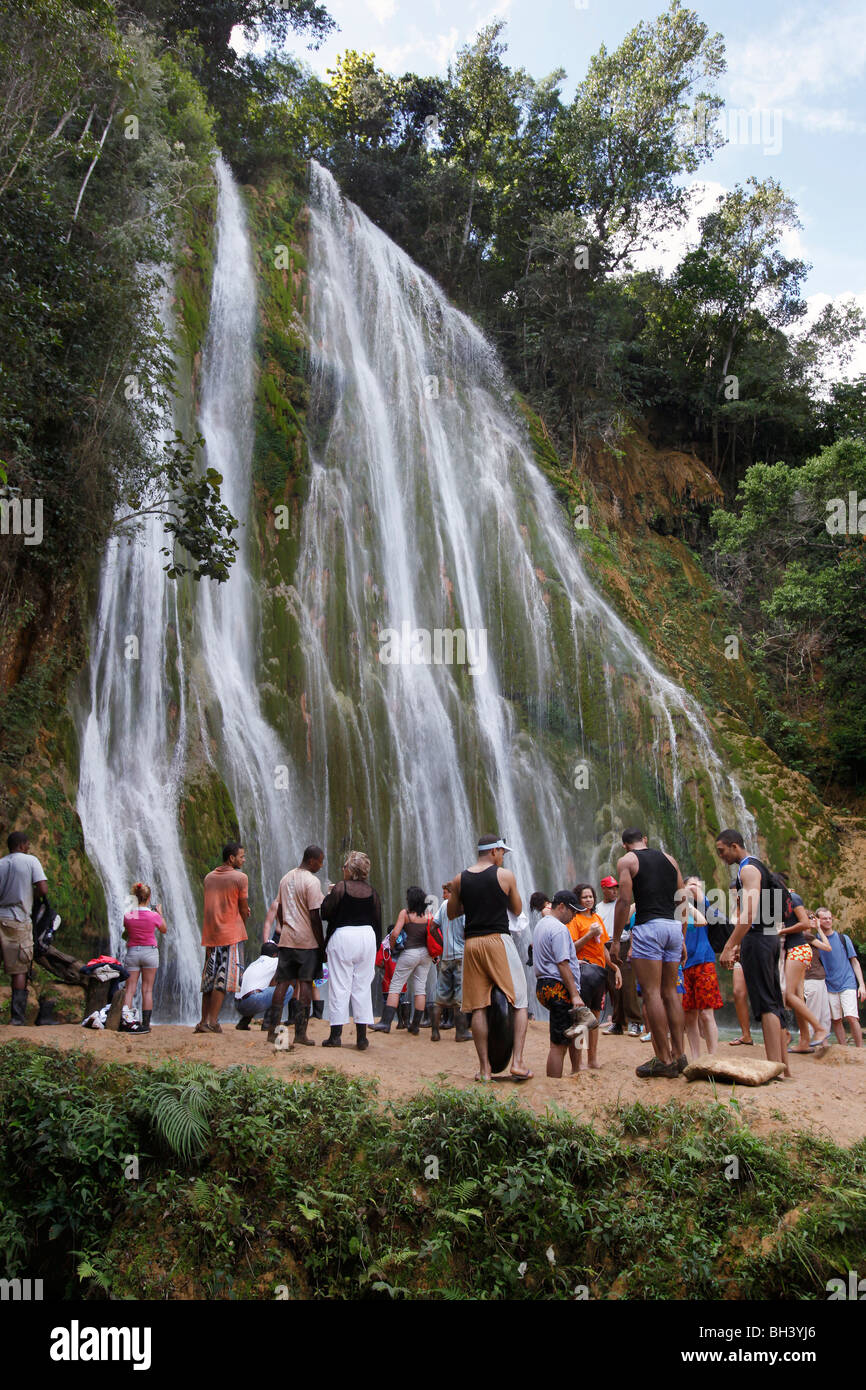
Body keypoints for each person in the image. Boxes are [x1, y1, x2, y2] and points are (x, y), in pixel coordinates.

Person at [444, 834, 532, 1083]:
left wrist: (472, 903)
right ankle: (517, 1063)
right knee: (520, 1000)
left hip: (471, 944)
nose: (503, 857)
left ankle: (484, 1070)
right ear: (494, 851)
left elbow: (452, 913)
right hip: (497, 940)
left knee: (478, 1006)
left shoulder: (460, 879)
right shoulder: (504, 876)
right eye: (502, 853)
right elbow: (516, 909)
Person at [611, 828, 686, 1079]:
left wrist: (614, 941)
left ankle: (663, 1060)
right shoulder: (670, 859)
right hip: (673, 928)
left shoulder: (627, 861)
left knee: (652, 994)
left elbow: (623, 901)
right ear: (645, 840)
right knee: (671, 992)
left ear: (625, 845)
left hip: (649, 928)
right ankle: (679, 1055)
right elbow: (682, 898)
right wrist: (682, 936)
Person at [715, 830, 788, 1077]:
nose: (721, 856)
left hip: (759, 938)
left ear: (735, 846)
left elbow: (748, 914)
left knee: (766, 1005)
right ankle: (782, 1067)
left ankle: (772, 1067)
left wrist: (729, 945)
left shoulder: (747, 870)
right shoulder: (759, 866)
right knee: (774, 1000)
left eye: (722, 851)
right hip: (769, 937)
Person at [264, 846, 326, 1046]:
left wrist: (284, 928)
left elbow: (280, 910)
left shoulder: (285, 878)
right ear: (311, 860)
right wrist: (321, 942)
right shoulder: (312, 881)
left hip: (287, 939)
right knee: (306, 983)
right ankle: (301, 1034)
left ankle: (272, 1033)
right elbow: (315, 915)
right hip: (307, 941)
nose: (321, 865)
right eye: (320, 861)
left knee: (282, 983)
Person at [320, 851, 381, 1050]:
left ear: (350, 870)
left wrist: (329, 895)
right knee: (362, 986)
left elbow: (325, 913)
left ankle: (336, 1036)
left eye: (344, 867)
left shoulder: (340, 888)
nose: (343, 870)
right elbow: (378, 921)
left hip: (344, 937)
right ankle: (362, 1038)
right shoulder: (372, 892)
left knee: (340, 985)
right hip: (367, 937)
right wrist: (377, 947)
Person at [533, 890, 598, 1077]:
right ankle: (555, 1086)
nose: (574, 916)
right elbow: (562, 963)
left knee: (570, 1033)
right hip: (558, 988)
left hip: (544, 986)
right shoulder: (559, 929)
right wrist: (575, 995)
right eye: (572, 911)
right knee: (558, 1044)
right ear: (561, 906)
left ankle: (576, 1070)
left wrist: (575, 962)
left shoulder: (541, 925)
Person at [196, 842, 249, 1034]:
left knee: (208, 978)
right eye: (241, 856)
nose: (243, 859)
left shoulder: (209, 877)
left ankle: (203, 1021)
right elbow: (243, 906)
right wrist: (244, 917)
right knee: (222, 979)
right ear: (231, 858)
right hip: (230, 934)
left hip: (210, 935)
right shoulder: (240, 878)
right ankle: (212, 1021)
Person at [568, 883, 621, 1070]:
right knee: (581, 1018)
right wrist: (590, 934)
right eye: (584, 897)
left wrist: (614, 967)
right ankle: (579, 1061)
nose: (588, 900)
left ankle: (592, 1059)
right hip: (583, 973)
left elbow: (603, 948)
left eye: (590, 896)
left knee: (596, 1017)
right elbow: (572, 948)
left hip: (599, 973)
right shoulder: (575, 920)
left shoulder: (597, 917)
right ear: (578, 900)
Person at [0, 831, 48, 1025]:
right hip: (18, 920)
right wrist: (31, 896)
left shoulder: (1, 863)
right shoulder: (31, 861)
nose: (29, 847)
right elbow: (43, 889)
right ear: (21, 845)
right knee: (19, 969)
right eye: (27, 844)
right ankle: (17, 1018)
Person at [778, 877, 830, 1054]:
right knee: (797, 998)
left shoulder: (793, 898)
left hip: (798, 949)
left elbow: (806, 923)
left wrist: (781, 931)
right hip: (796, 951)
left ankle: (819, 1029)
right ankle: (805, 1042)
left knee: (788, 995)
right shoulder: (782, 902)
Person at [373, 886, 433, 1035]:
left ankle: (385, 1023)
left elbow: (395, 934)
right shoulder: (429, 915)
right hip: (426, 954)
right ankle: (415, 1026)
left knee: (395, 986)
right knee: (420, 988)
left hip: (410, 952)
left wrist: (392, 948)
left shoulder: (405, 914)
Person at [681, 876, 723, 1059]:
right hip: (683, 965)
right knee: (689, 1014)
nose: (694, 888)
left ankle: (712, 1056)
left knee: (706, 1013)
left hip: (704, 961)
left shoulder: (703, 905)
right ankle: (696, 1058)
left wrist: (694, 892)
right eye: (690, 885)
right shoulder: (678, 908)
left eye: (698, 885)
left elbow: (700, 901)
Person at [598, 875, 641, 1035]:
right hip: (606, 945)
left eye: (616, 887)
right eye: (610, 888)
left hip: (623, 944)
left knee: (628, 984)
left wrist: (632, 947)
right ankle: (617, 1022)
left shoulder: (623, 905)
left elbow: (632, 927)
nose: (614, 891)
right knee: (612, 985)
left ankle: (635, 1022)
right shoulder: (598, 908)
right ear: (603, 889)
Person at [121, 882, 166, 1034]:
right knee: (147, 989)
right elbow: (164, 929)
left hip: (133, 952)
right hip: (150, 953)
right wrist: (159, 913)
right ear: (149, 898)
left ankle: (127, 1021)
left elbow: (126, 928)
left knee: (130, 989)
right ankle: (146, 1024)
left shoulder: (129, 915)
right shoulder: (153, 915)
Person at [817, 908, 865, 1047]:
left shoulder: (843, 938)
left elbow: (854, 962)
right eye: (824, 918)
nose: (828, 920)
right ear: (818, 920)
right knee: (836, 1019)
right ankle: (843, 1049)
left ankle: (859, 1050)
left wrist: (861, 984)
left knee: (851, 1016)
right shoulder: (816, 940)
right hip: (829, 984)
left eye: (829, 918)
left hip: (847, 981)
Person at [430, 883, 471, 1042]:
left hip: (446, 957)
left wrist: (443, 944)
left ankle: (435, 1032)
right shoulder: (463, 907)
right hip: (461, 956)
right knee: (459, 998)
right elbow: (468, 931)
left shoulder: (444, 905)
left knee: (440, 997)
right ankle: (461, 1033)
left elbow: (433, 927)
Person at [235, 941, 293, 1030]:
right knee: (288, 989)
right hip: (253, 1001)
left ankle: (243, 1022)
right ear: (274, 955)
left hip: (238, 1005)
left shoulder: (254, 963)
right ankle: (268, 1023)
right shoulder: (275, 961)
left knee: (259, 989)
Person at [802, 913, 832, 1045]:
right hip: (811, 979)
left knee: (824, 1014)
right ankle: (807, 1043)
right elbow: (827, 947)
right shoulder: (806, 935)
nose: (814, 921)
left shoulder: (807, 936)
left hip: (819, 978)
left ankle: (822, 1043)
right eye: (811, 918)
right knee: (813, 1013)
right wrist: (819, 928)